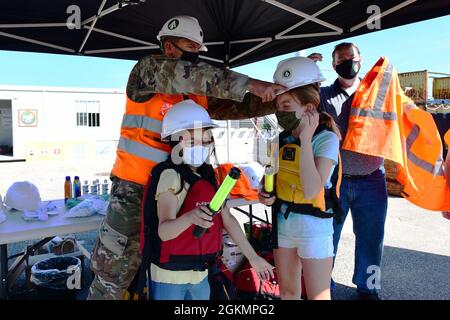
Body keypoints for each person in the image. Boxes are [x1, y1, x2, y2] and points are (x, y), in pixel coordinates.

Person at [87, 15, 283, 300]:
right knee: (114, 275)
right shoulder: (146, 71)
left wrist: (278, 98)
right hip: (135, 190)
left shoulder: (197, 92)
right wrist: (251, 83)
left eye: (198, 48)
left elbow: (236, 104)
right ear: (168, 47)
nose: (194, 54)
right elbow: (200, 76)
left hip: (180, 191)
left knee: (167, 265)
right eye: (188, 46)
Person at [140, 100, 274, 300]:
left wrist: (253, 258)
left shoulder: (208, 176)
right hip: (169, 276)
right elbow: (164, 232)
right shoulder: (170, 175)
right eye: (191, 141)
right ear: (174, 141)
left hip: (201, 272)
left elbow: (227, 219)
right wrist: (190, 217)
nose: (200, 147)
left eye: (205, 140)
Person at [259, 57, 341, 300]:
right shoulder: (278, 140)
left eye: (286, 106)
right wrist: (264, 192)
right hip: (284, 225)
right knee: (288, 292)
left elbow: (311, 190)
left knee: (318, 295)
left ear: (309, 107)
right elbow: (268, 181)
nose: (279, 112)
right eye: (278, 105)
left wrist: (305, 140)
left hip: (315, 228)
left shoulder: (326, 139)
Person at [318, 42, 387, 300]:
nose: (349, 62)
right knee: (327, 238)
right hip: (336, 181)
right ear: (334, 64)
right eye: (342, 59)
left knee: (371, 240)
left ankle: (368, 289)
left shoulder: (378, 94)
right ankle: (323, 286)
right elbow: (300, 100)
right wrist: (310, 68)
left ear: (361, 60)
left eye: (353, 58)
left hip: (372, 180)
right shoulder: (323, 94)